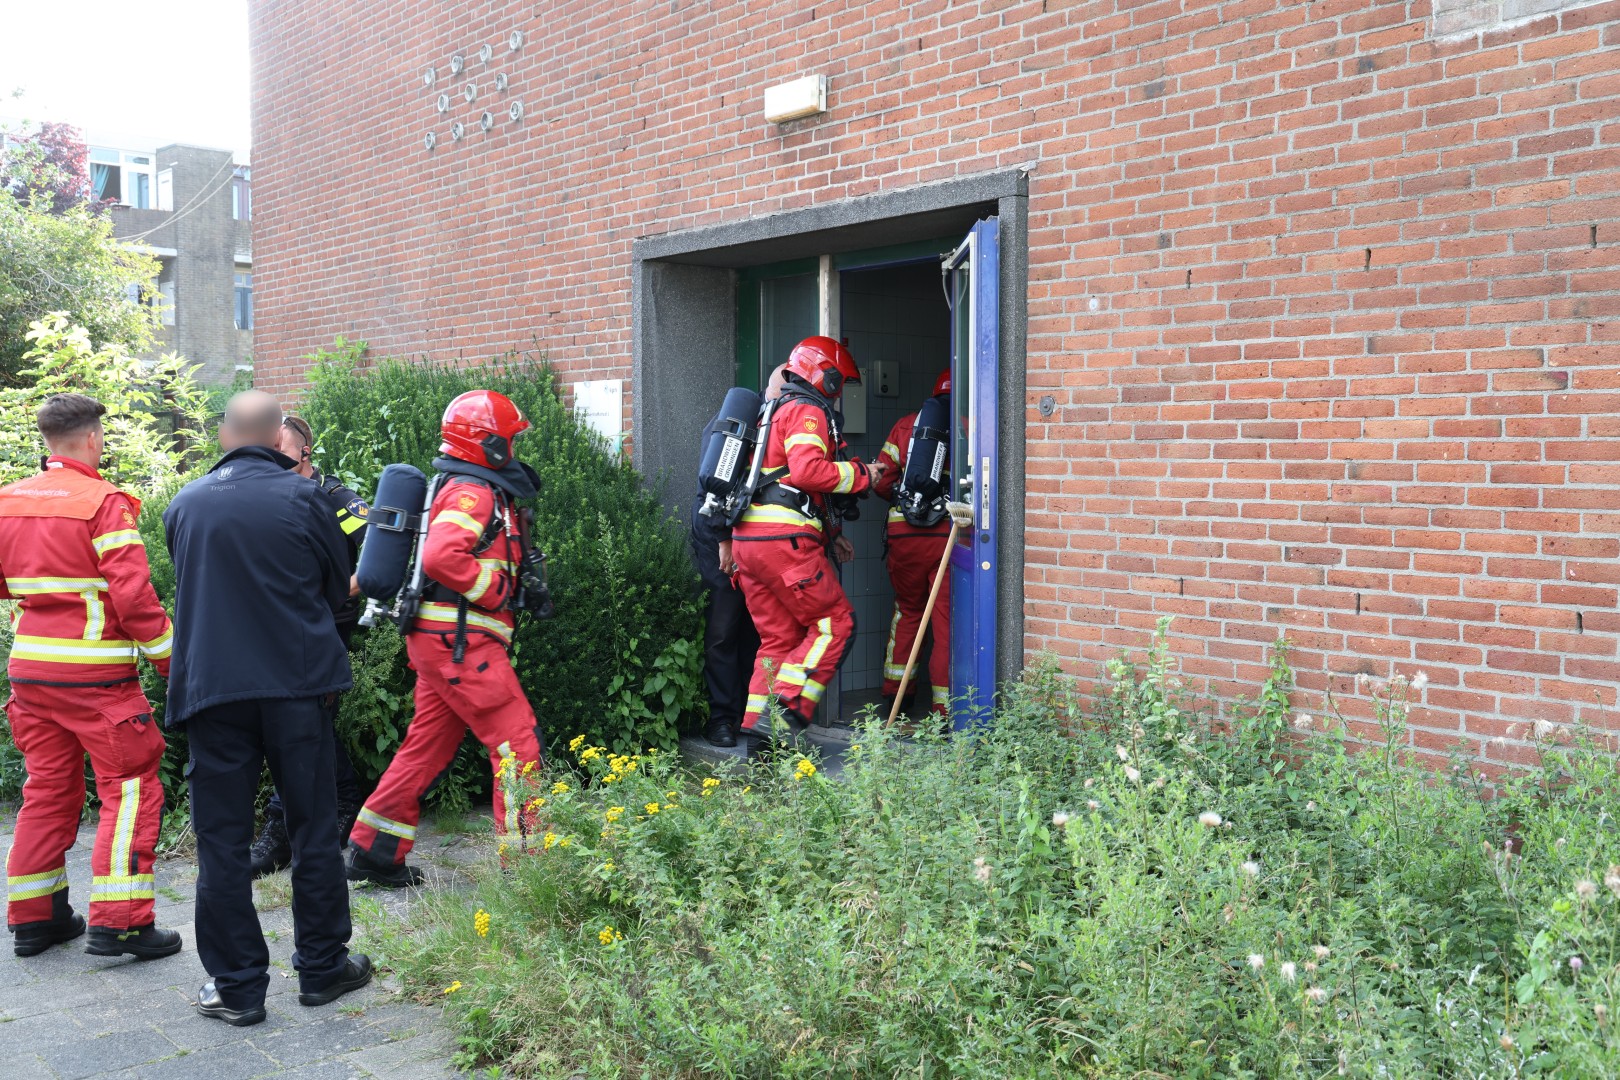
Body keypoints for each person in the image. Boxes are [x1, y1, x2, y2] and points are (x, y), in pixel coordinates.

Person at [163, 390, 370, 1027]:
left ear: (226, 434)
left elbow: (193, 583)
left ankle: (237, 987)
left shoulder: (185, 504)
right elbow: (339, 590)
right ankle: (322, 969)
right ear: (278, 436)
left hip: (215, 693)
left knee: (221, 842)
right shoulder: (309, 500)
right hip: (296, 688)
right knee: (312, 828)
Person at [0, 394, 182, 961]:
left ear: (47, 440)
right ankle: (121, 923)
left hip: (31, 677)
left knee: (47, 793)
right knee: (129, 791)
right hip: (97, 682)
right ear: (94, 439)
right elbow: (133, 595)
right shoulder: (103, 503)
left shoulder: (7, 502)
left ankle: (37, 919)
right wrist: (173, 663)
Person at [346, 390, 546, 887]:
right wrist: (498, 589)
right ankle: (527, 869)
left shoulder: (468, 485)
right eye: (508, 440)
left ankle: (375, 849)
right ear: (488, 444)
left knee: (427, 747)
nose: (514, 450)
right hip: (461, 644)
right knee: (518, 747)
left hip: (440, 641)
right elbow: (441, 558)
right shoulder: (474, 493)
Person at [732, 337, 883, 743]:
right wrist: (863, 473)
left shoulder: (772, 411)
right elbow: (807, 473)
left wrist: (833, 534)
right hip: (785, 544)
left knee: (777, 641)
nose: (838, 391)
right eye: (839, 381)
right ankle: (786, 715)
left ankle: (757, 739)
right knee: (836, 624)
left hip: (749, 542)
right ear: (824, 373)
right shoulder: (806, 409)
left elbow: (780, 483)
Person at [247, 414, 369, 877]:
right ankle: (343, 802)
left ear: (304, 454)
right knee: (308, 721)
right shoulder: (261, 494)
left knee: (298, 719)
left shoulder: (336, 498)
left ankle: (282, 829)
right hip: (275, 627)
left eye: (279, 449)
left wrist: (337, 593)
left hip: (323, 628)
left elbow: (379, 549)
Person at [873, 372, 954, 719]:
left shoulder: (906, 426)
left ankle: (896, 697)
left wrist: (908, 501)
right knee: (947, 622)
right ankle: (944, 709)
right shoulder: (969, 426)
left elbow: (881, 480)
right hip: (947, 539)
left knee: (907, 613)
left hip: (903, 536)